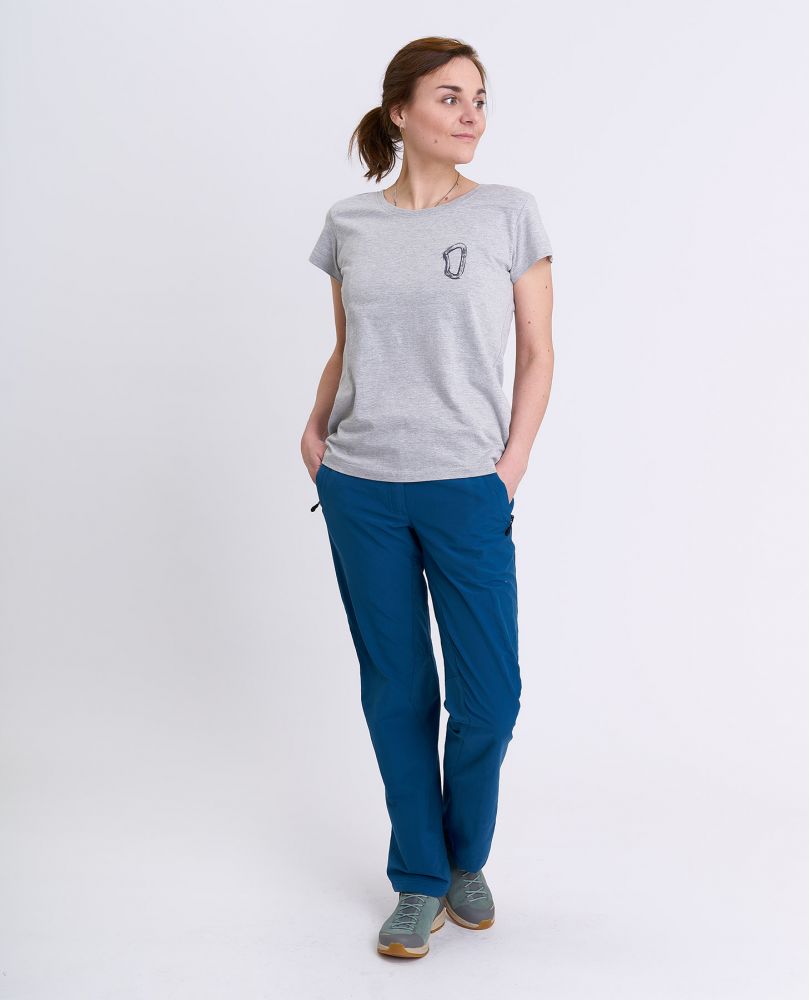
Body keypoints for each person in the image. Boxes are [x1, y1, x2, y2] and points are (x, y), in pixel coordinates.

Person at [302, 36, 554, 959]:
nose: (470, 113)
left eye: (478, 98)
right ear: (399, 111)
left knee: (489, 698)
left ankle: (461, 859)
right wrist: (314, 431)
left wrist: (508, 468)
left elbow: (538, 354)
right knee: (398, 691)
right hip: (361, 486)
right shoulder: (349, 224)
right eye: (449, 97)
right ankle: (417, 878)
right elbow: (349, 347)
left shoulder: (507, 213)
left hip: (465, 487)